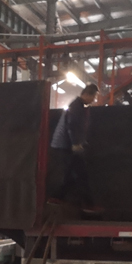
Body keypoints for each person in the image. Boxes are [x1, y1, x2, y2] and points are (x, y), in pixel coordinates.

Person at [49, 83, 101, 212]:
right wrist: (76, 144)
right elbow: (71, 126)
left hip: (65, 145)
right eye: (93, 97)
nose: (94, 100)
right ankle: (88, 204)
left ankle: (57, 198)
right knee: (81, 174)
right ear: (87, 94)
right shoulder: (76, 107)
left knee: (71, 174)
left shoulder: (77, 106)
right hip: (67, 146)